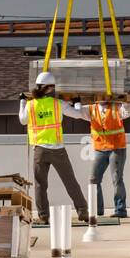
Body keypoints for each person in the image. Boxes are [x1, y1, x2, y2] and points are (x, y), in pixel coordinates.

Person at [19, 71, 91, 225]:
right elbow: (78, 115)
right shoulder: (58, 104)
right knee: (70, 182)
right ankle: (82, 211)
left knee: (40, 185)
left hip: (39, 150)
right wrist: (77, 102)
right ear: (51, 88)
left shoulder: (31, 105)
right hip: (58, 150)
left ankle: (44, 216)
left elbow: (23, 120)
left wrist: (22, 103)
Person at [72, 98, 130, 219]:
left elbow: (127, 112)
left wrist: (126, 102)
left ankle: (120, 210)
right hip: (100, 148)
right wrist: (75, 102)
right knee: (94, 180)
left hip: (116, 148)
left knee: (117, 179)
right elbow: (77, 113)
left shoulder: (116, 107)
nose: (102, 98)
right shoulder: (91, 109)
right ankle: (97, 209)